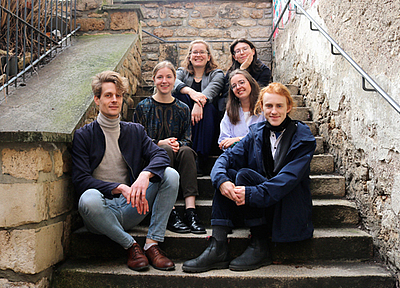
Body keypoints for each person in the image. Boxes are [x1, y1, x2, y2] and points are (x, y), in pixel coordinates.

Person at [182, 82, 316, 273]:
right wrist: (221, 181)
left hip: (286, 207)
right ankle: (218, 245)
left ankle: (260, 245)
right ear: (261, 107)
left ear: (289, 107)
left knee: (244, 175)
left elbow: (287, 180)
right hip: (260, 204)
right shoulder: (256, 132)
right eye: (269, 106)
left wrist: (251, 194)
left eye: (279, 106)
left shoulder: (303, 137)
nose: (274, 111)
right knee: (228, 174)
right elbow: (226, 158)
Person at [71, 70, 179, 272]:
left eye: (118, 96)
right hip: (100, 211)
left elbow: (161, 156)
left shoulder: (134, 130)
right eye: (108, 95)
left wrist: (144, 176)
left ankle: (152, 243)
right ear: (97, 99)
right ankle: (131, 245)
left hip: (132, 206)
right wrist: (119, 187)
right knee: (88, 198)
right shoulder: (84, 135)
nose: (114, 100)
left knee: (171, 175)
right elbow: (80, 180)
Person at [134, 61, 206, 234]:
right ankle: (170, 210)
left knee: (188, 151)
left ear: (175, 80)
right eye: (160, 77)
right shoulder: (143, 107)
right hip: (152, 157)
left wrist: (176, 144)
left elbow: (187, 139)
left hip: (179, 152)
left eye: (168, 77)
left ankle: (191, 211)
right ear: (153, 80)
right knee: (164, 151)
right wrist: (159, 143)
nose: (164, 81)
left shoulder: (183, 108)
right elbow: (137, 140)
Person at [173, 39, 225, 174]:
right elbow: (173, 81)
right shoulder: (182, 72)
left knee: (207, 107)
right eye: (194, 52)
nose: (198, 55)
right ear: (189, 57)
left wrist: (199, 103)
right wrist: (190, 92)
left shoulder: (217, 74)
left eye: (202, 52)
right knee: (181, 97)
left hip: (206, 120)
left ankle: (200, 158)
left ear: (208, 57)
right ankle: (182, 151)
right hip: (185, 116)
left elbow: (212, 91)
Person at [219, 39, 272, 115]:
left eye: (245, 49)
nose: (242, 53)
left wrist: (243, 71)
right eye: (238, 51)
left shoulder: (263, 70)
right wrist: (241, 70)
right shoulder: (231, 71)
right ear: (234, 57)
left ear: (253, 51)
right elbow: (226, 92)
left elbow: (258, 90)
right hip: (234, 104)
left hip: (253, 103)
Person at [218, 69, 265, 151]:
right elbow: (223, 141)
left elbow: (265, 137)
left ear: (250, 83)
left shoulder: (264, 108)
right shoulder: (230, 111)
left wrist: (238, 139)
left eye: (242, 82)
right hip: (236, 156)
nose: (238, 87)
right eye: (234, 86)